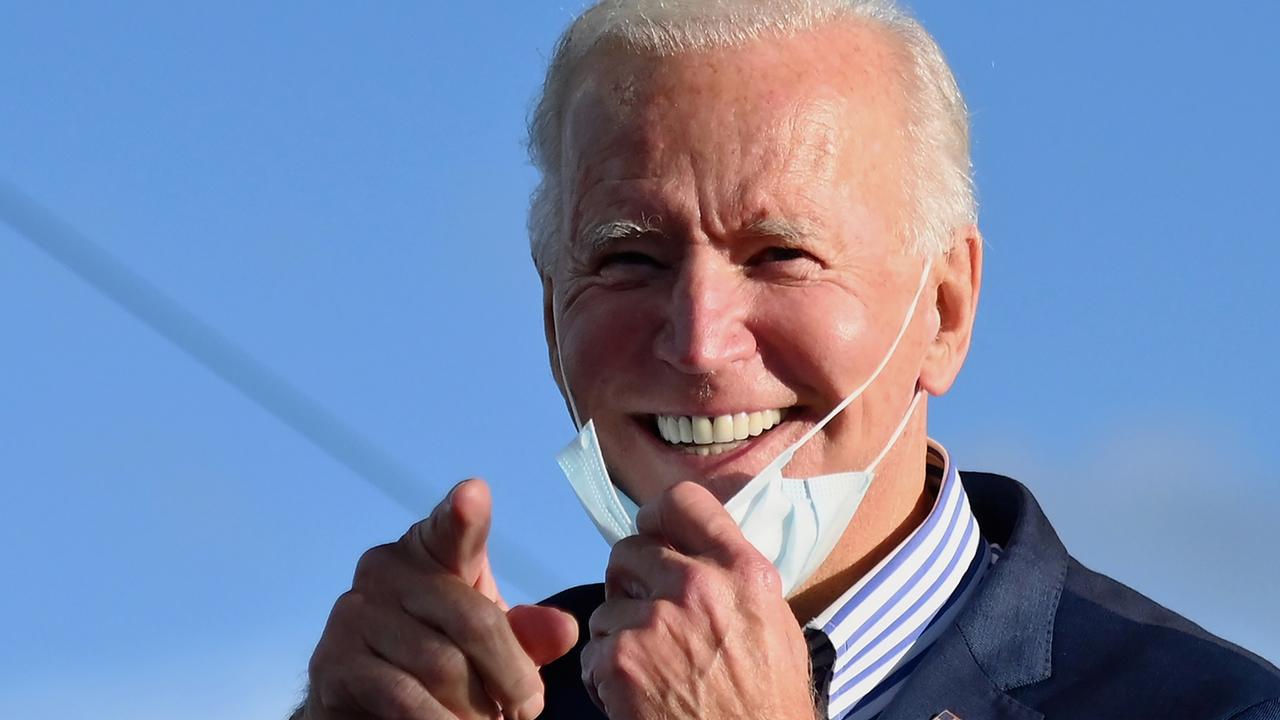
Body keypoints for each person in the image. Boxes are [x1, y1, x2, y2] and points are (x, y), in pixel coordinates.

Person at [292, 1, 1280, 718]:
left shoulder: (1205, 709)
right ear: (552, 311)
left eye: (780, 256)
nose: (696, 340)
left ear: (943, 310)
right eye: (626, 258)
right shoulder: (510, 699)